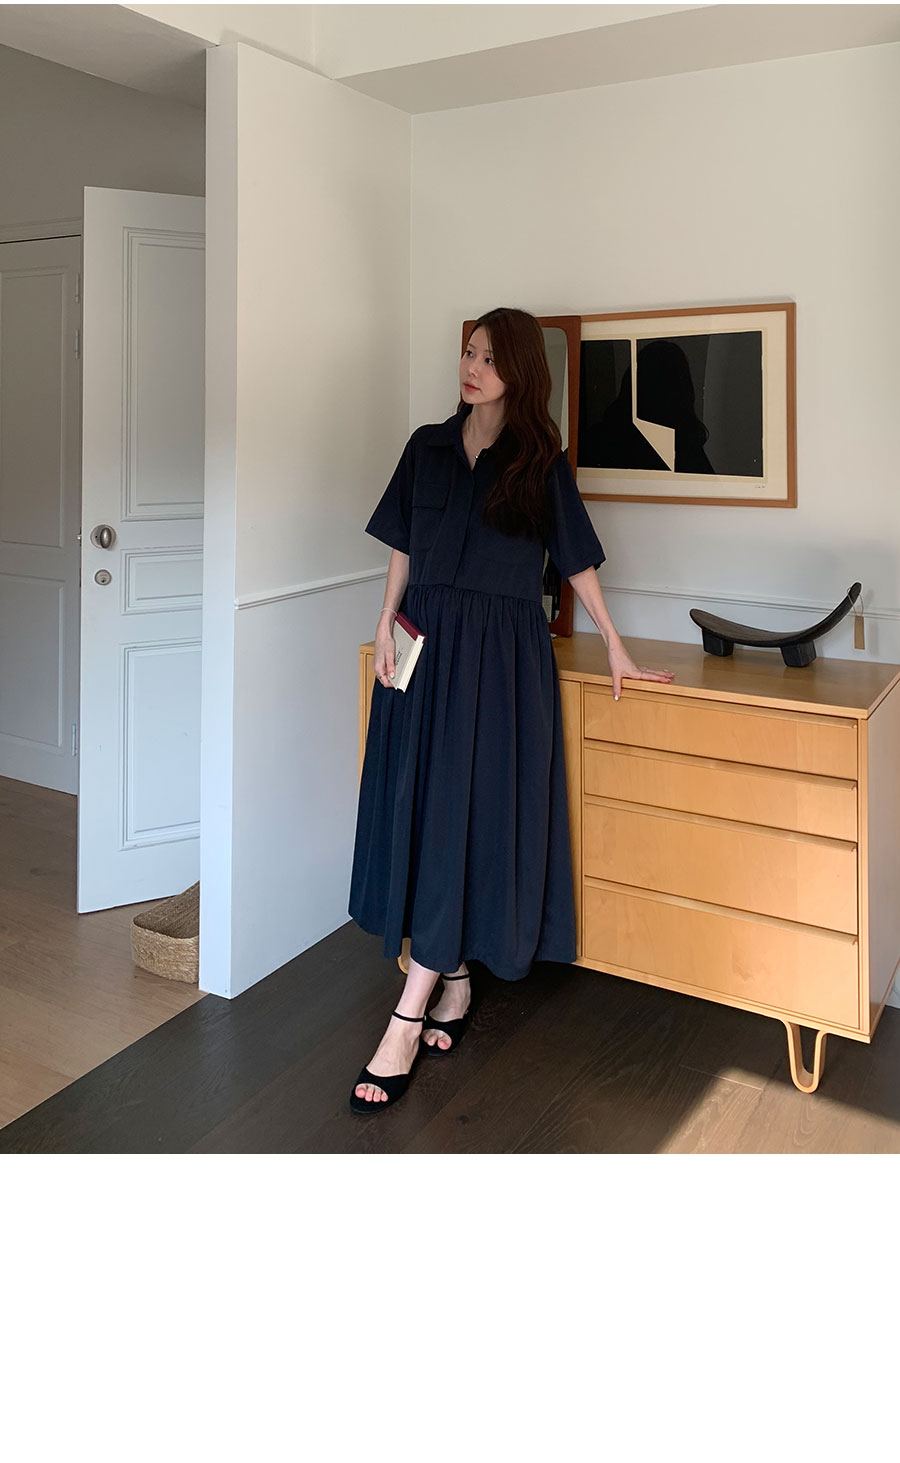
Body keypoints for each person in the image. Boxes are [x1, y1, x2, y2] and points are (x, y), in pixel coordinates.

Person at [347, 307, 674, 1113]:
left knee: (468, 813)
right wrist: (383, 623)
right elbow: (403, 546)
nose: (473, 367)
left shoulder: (539, 462)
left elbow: (577, 561)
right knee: (422, 808)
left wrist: (615, 645)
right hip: (423, 647)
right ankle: (453, 975)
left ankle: (406, 1016)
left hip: (499, 658)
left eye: (490, 358)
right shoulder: (425, 446)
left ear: (520, 372)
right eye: (469, 352)